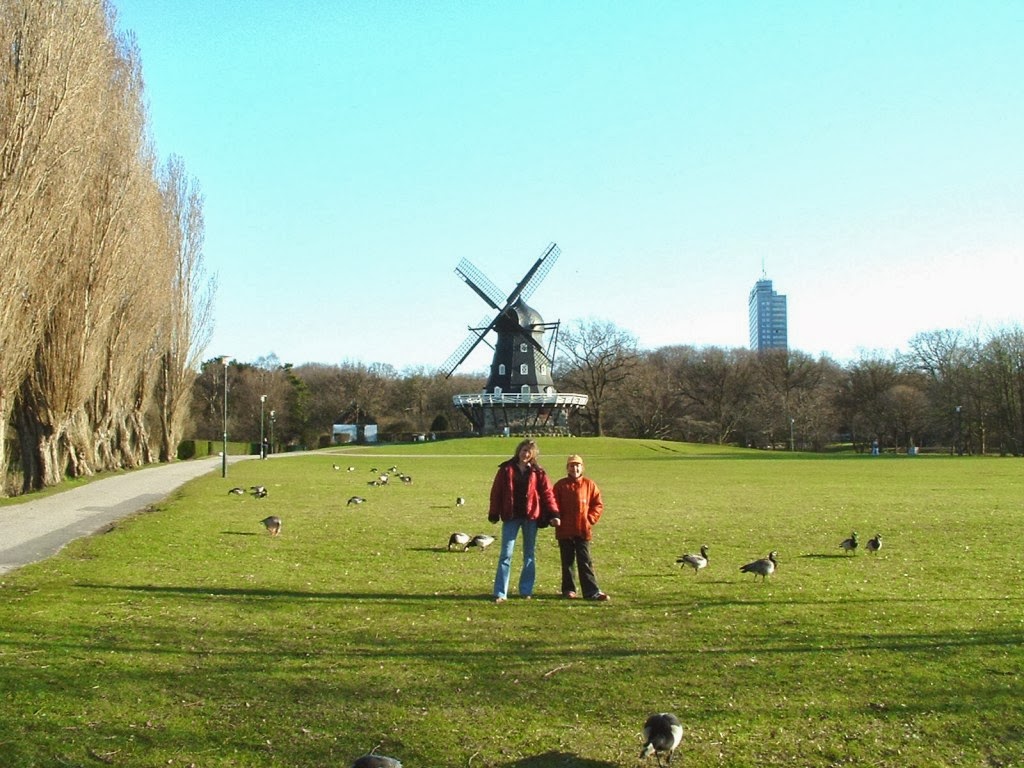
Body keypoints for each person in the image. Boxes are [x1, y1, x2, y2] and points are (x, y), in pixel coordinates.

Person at [488, 439, 560, 603]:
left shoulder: (538, 472)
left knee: (529, 554)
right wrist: (494, 512)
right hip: (511, 516)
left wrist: (554, 513)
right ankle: (500, 592)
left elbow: (547, 493)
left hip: (530, 517)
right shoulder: (506, 469)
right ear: (518, 451)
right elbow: (496, 491)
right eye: (523, 450)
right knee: (506, 554)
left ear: (533, 454)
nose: (525, 454)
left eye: (529, 451)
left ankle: (526, 590)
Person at [551, 454, 608, 601]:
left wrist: (590, 519)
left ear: (582, 468)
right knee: (567, 562)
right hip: (565, 530)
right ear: (567, 468)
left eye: (577, 466)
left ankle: (591, 591)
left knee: (585, 561)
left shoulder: (589, 485)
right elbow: (553, 504)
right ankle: (568, 590)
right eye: (571, 466)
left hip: (583, 529)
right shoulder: (560, 485)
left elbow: (597, 504)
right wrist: (555, 518)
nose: (574, 468)